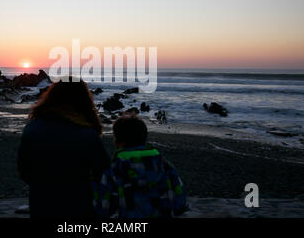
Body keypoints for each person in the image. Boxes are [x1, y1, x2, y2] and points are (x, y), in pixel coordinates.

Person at [17, 77, 110, 218]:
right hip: (79, 202)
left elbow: (24, 170)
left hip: (41, 200)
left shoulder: (33, 128)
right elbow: (103, 173)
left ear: (52, 96)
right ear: (83, 99)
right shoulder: (87, 134)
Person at [93, 114, 187, 218]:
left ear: (119, 142)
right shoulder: (164, 165)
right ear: (143, 139)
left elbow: (103, 206)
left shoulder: (115, 169)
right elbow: (180, 199)